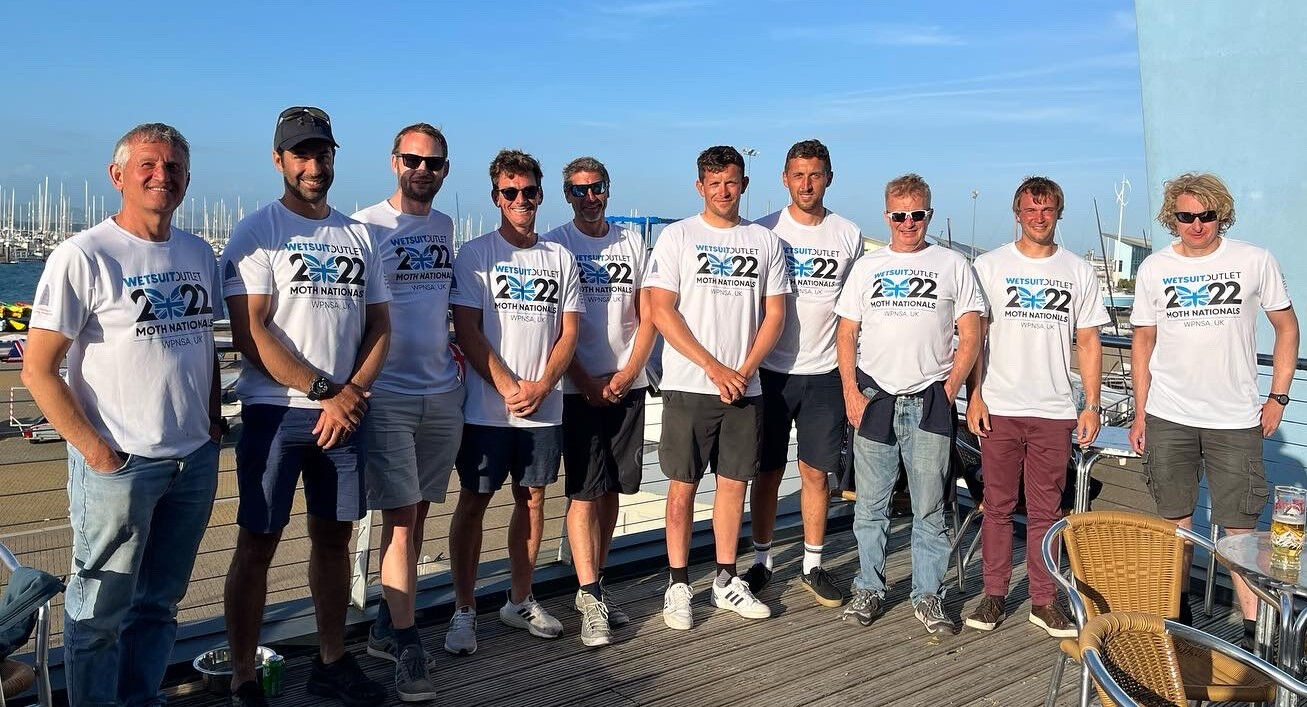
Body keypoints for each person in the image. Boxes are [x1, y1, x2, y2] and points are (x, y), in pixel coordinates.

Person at [23, 123, 221, 707]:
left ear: (187, 179)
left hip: (192, 459)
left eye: (175, 167)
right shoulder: (83, 255)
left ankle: (140, 698)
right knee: (98, 612)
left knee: (159, 604)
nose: (163, 176)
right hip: (120, 463)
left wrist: (210, 422)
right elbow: (38, 369)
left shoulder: (196, 252)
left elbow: (202, 344)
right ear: (118, 176)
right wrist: (96, 451)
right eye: (149, 165)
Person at [220, 106, 390, 707]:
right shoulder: (256, 231)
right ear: (279, 160)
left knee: (334, 539)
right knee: (258, 541)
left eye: (322, 153)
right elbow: (253, 332)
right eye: (301, 154)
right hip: (275, 412)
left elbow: (379, 327)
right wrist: (327, 392)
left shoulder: (358, 235)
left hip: (345, 413)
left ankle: (332, 661)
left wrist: (353, 395)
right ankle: (243, 674)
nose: (314, 165)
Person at [1128, 172, 1298, 646]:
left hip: (1236, 418)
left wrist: (1278, 397)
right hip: (1168, 414)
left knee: (1240, 528)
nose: (1197, 225)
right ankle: (1176, 620)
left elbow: (1287, 327)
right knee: (1174, 523)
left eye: (1207, 215)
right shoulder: (1155, 269)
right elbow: (1143, 340)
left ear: (1221, 214)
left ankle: (1252, 632)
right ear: (1172, 218)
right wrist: (1140, 413)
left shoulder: (1254, 260)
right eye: (1186, 216)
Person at [645, 145, 790, 630]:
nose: (723, 191)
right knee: (682, 489)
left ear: (744, 184)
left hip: (744, 390)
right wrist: (714, 367)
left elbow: (775, 314)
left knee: (733, 486)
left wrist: (744, 370)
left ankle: (727, 578)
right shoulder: (677, 236)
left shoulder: (765, 241)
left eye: (731, 182)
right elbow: (663, 310)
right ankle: (678, 584)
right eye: (713, 182)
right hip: (690, 386)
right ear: (699, 186)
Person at [834, 173, 984, 634]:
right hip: (875, 396)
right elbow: (846, 333)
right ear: (887, 215)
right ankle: (869, 589)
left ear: (929, 215)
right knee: (870, 506)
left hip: (929, 400)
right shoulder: (867, 267)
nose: (907, 223)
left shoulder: (954, 264)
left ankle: (928, 596)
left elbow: (973, 331)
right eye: (899, 215)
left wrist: (952, 385)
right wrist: (849, 393)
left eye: (916, 215)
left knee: (930, 507)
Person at [446, 149, 581, 653]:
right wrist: (507, 385)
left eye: (528, 192)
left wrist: (543, 385)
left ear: (541, 196)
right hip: (486, 408)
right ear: (496, 197)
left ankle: (519, 599)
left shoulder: (559, 257)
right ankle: (464, 609)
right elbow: (468, 329)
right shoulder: (476, 254)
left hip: (544, 409)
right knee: (475, 501)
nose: (520, 200)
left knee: (534, 499)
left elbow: (569, 333)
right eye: (510, 192)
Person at [963, 177, 1110, 637]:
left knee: (1048, 511)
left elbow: (1088, 340)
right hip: (1000, 405)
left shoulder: (1077, 271)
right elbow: (974, 338)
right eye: (1030, 209)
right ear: (1017, 213)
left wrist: (1091, 405)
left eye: (1047, 210)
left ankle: (1044, 601)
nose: (1039, 217)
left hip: (1054, 409)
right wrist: (975, 396)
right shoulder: (989, 267)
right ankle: (994, 595)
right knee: (998, 506)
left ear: (1058, 214)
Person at [352, 122, 459, 700]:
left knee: (416, 519)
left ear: (445, 170)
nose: (423, 170)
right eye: (413, 160)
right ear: (395, 161)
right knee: (399, 520)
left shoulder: (444, 226)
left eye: (434, 162)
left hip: (442, 390)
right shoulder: (365, 226)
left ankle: (383, 626)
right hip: (388, 392)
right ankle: (407, 644)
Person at [542, 157, 655, 647]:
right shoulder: (556, 244)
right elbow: (553, 329)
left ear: (608, 190)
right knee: (585, 491)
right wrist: (585, 380)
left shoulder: (632, 242)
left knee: (613, 492)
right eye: (578, 190)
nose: (589, 198)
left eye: (597, 188)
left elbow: (648, 315)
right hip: (577, 388)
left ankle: (597, 589)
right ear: (567, 194)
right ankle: (587, 593)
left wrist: (629, 374)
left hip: (626, 386)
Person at [745, 139, 863, 606]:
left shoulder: (847, 234)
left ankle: (813, 565)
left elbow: (855, 312)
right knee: (767, 471)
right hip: (770, 373)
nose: (806, 184)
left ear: (828, 177)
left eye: (815, 175)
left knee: (816, 474)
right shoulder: (763, 231)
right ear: (784, 179)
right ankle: (762, 560)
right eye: (798, 175)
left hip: (825, 374)